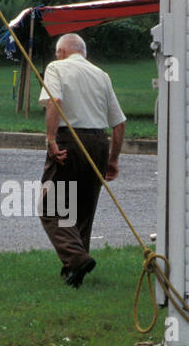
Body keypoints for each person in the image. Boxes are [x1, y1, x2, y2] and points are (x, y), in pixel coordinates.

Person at [37, 33, 126, 288]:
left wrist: (51, 139)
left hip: (69, 140)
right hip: (98, 143)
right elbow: (119, 124)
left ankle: (76, 258)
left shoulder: (57, 67)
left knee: (52, 207)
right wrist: (113, 159)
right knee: (82, 210)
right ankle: (75, 270)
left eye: (57, 53)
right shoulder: (101, 75)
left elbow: (55, 101)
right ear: (83, 52)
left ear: (62, 51)